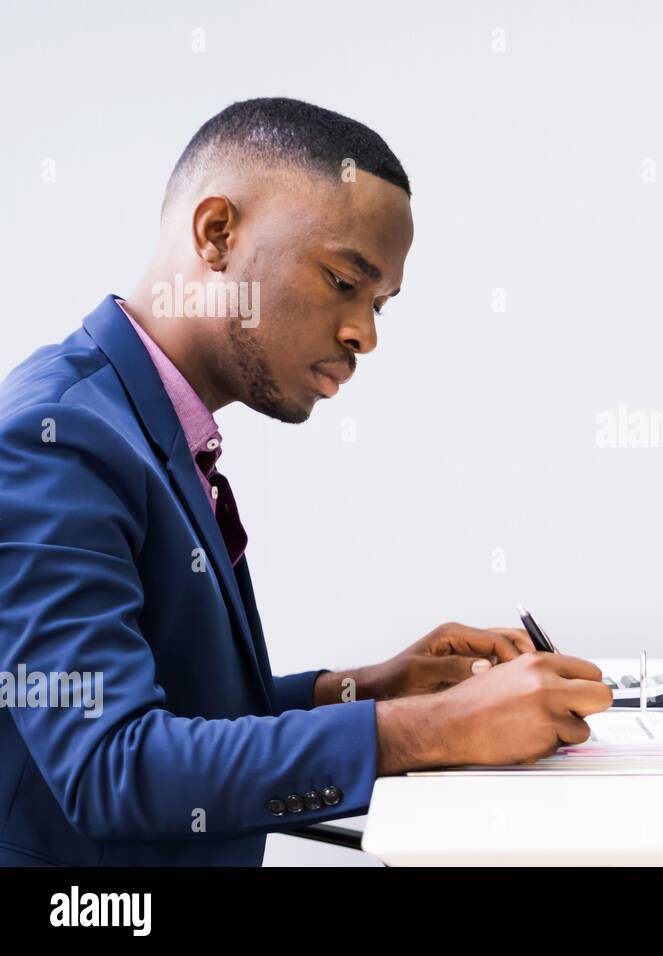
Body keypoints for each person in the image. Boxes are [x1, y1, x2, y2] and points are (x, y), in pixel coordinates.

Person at [0, 97, 612, 866]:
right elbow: (111, 766)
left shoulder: (140, 419)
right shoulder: (59, 440)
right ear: (217, 233)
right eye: (342, 281)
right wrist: (436, 728)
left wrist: (367, 688)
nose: (366, 334)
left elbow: (188, 711)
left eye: (380, 303)